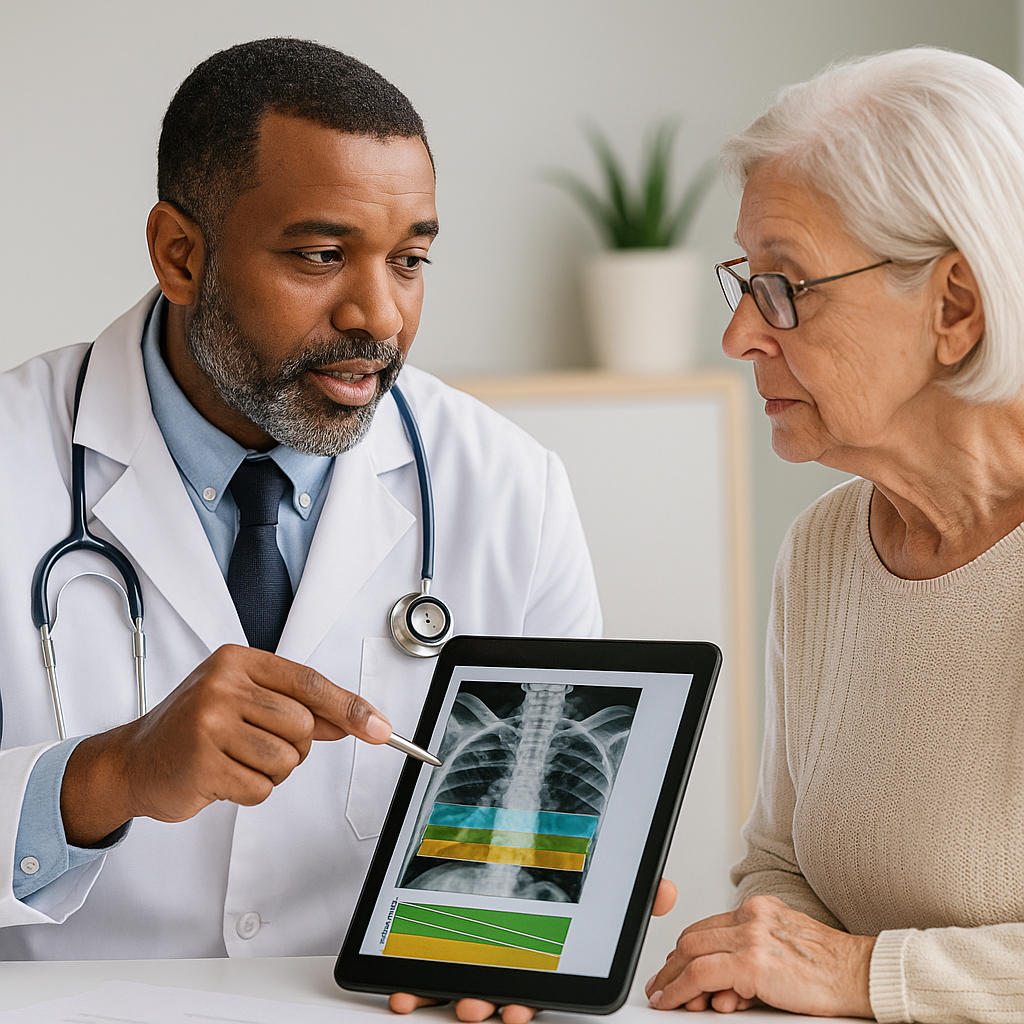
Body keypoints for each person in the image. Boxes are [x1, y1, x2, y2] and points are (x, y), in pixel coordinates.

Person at [0, 36, 604, 995]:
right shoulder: (11, 462)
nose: (380, 315)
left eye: (410, 261)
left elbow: (527, 865)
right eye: (321, 256)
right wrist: (114, 774)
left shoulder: (507, 487)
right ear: (180, 254)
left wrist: (539, 917)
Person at [645, 48, 1024, 1023]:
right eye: (744, 279)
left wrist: (857, 976)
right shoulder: (822, 548)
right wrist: (769, 951)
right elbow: (779, 866)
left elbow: (835, 965)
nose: (738, 336)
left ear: (955, 306)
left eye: (786, 285)